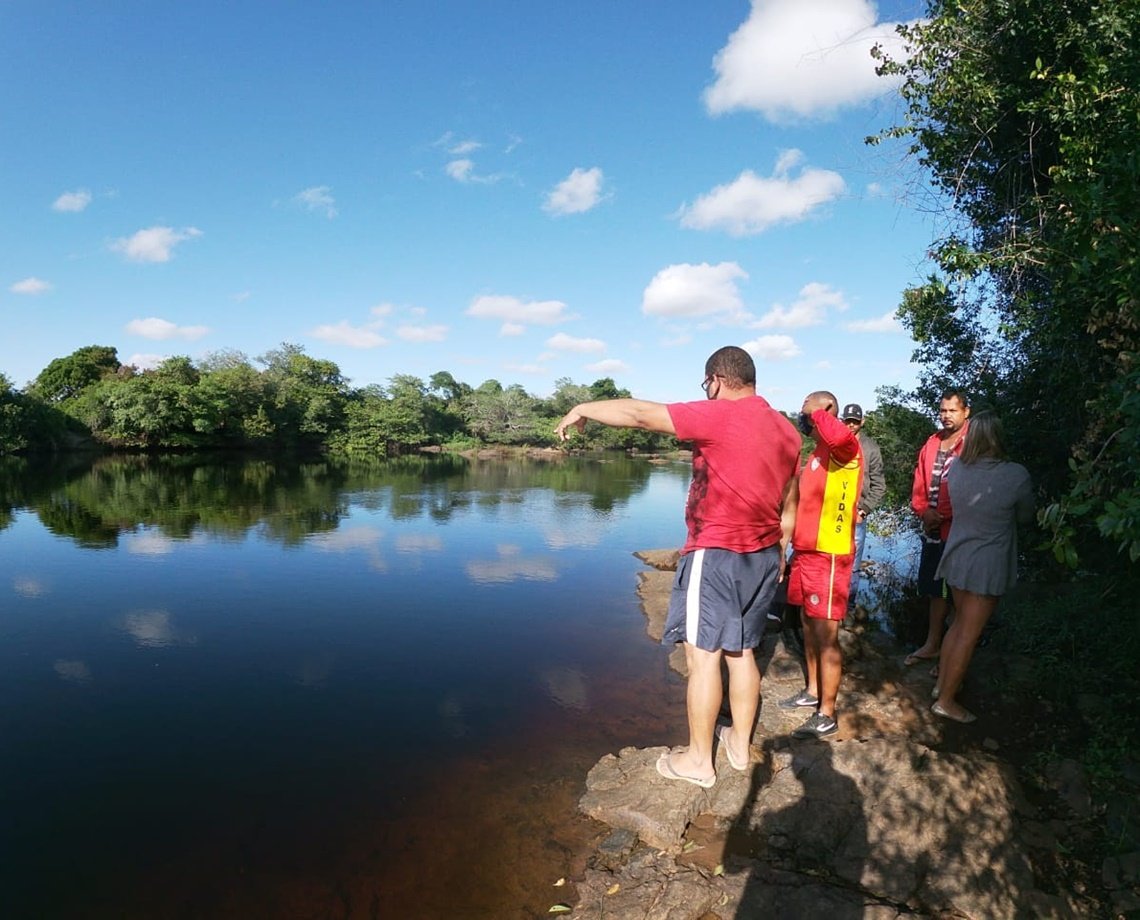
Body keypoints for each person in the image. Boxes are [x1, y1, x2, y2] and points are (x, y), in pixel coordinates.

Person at [555, 346, 801, 787]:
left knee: (702, 656)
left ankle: (699, 762)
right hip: (763, 555)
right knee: (742, 652)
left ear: (717, 380)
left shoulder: (721, 414)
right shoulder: (786, 429)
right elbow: (791, 500)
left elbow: (639, 414)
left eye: (705, 386)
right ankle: (739, 748)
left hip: (717, 551)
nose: (705, 393)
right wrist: (781, 548)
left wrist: (582, 407)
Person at [931, 411, 1033, 723]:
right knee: (968, 634)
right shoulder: (1016, 475)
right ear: (998, 438)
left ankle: (940, 686)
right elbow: (1027, 516)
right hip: (985, 566)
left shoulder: (958, 469)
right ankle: (946, 701)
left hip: (957, 557)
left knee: (958, 623)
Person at [779, 391, 863, 739]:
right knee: (807, 624)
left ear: (826, 412)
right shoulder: (814, 456)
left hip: (829, 556)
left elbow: (841, 433)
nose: (803, 415)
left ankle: (827, 712)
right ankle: (812, 691)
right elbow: (793, 506)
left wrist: (819, 412)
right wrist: (783, 550)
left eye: (807, 409)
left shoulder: (845, 450)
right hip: (805, 553)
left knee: (827, 635)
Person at [904, 389, 970, 668]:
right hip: (932, 531)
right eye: (943, 410)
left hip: (959, 531)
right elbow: (919, 482)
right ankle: (933, 645)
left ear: (966, 412)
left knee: (959, 593)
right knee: (935, 590)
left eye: (952, 411)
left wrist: (943, 514)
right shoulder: (932, 442)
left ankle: (952, 655)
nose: (946, 416)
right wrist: (923, 511)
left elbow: (975, 487)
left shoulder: (973, 443)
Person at [840, 403, 885, 614]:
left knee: (854, 564)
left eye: (855, 421)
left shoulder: (871, 448)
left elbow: (879, 485)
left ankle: (848, 606)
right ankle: (831, 605)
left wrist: (864, 509)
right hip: (835, 511)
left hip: (857, 512)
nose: (850, 425)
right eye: (847, 420)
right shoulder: (836, 443)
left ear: (862, 422)